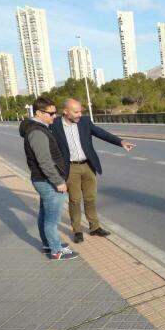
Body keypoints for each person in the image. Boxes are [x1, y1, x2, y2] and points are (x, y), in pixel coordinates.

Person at [51, 98, 134, 243]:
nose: (79, 114)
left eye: (80, 111)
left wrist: (120, 142)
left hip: (88, 165)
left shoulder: (84, 121)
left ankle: (94, 227)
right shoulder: (55, 125)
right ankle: (77, 229)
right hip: (70, 168)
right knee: (75, 200)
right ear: (65, 112)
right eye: (76, 112)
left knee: (90, 198)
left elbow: (101, 133)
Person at [19, 97, 79, 260]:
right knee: (52, 219)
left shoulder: (38, 128)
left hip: (43, 180)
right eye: (51, 114)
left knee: (45, 215)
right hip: (47, 181)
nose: (54, 116)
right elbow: (44, 161)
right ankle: (55, 250)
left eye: (55, 113)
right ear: (39, 113)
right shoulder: (37, 132)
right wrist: (58, 182)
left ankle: (48, 244)